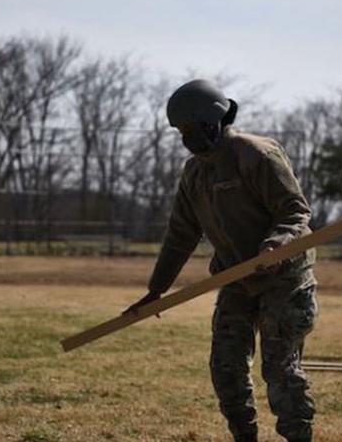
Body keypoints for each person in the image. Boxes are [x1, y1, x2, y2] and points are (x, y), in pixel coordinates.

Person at [124, 79, 318, 442]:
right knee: (226, 369)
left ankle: (298, 436)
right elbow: (181, 234)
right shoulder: (194, 173)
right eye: (181, 132)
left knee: (279, 370)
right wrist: (156, 290)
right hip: (236, 280)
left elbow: (295, 212)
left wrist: (275, 247)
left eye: (191, 129)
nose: (186, 138)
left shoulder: (255, 154)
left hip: (284, 279)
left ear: (212, 123)